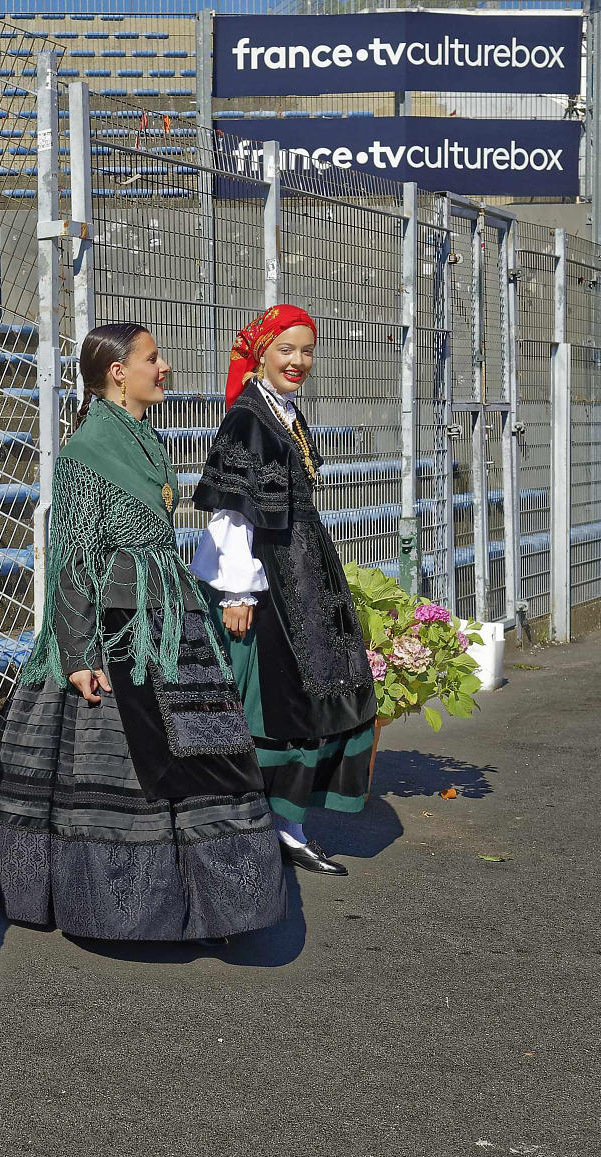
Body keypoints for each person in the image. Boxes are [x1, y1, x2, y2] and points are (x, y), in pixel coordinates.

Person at [0, 323, 287, 943]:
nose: (166, 367)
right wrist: (78, 652)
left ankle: (216, 898)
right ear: (118, 371)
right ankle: (118, 902)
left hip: (164, 604)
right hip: (117, 622)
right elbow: (74, 555)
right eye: (154, 358)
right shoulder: (87, 449)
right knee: (122, 756)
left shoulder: (145, 436)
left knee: (196, 746)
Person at [190, 304, 378, 877]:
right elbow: (231, 515)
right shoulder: (250, 418)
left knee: (306, 694)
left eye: (307, 350)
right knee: (273, 703)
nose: (299, 361)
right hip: (263, 585)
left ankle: (285, 823)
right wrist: (239, 593)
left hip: (296, 574)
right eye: (287, 350)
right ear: (261, 353)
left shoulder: (281, 412)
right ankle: (260, 825)